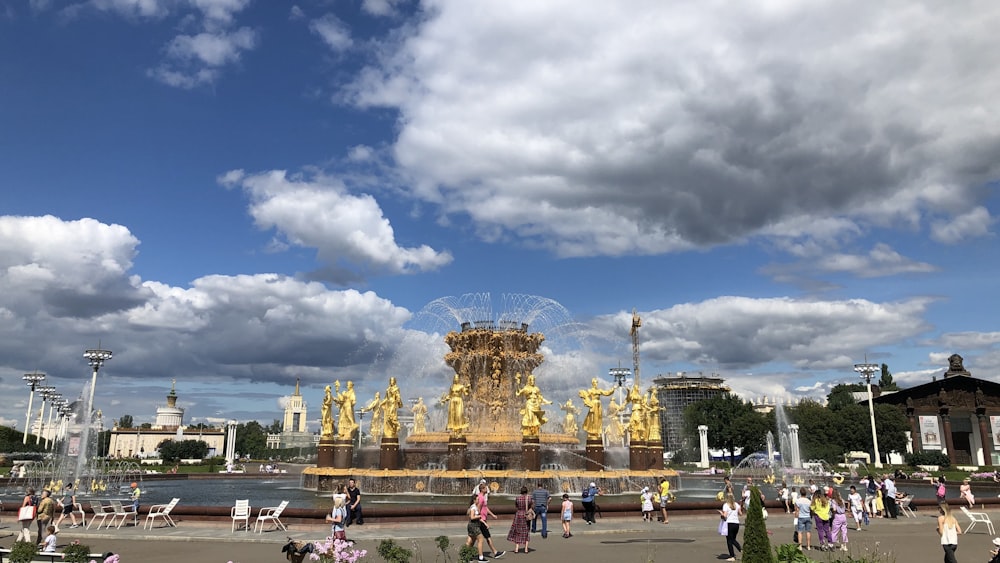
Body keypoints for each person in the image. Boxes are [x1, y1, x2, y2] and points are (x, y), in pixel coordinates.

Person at [475, 482, 505, 558]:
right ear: (482, 489)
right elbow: (478, 509)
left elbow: (485, 508)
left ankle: (466, 552)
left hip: (483, 519)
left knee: (475, 538)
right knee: (487, 537)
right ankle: (495, 552)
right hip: (482, 520)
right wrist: (481, 519)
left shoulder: (482, 497)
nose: (487, 489)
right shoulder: (481, 498)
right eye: (486, 488)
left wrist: (492, 515)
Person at [506, 486, 531, 554]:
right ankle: (526, 549)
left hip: (518, 515)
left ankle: (516, 548)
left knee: (518, 531)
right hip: (526, 515)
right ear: (526, 491)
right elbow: (531, 506)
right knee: (526, 531)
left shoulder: (517, 498)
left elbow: (516, 506)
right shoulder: (529, 498)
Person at [720, 492, 742, 562]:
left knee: (730, 540)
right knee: (733, 539)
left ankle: (734, 555)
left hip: (729, 524)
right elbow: (740, 514)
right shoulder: (737, 505)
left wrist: (721, 514)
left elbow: (725, 516)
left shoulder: (726, 505)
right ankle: (736, 552)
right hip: (736, 524)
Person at [467, 493, 487, 562]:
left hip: (472, 525)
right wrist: (479, 516)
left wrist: (484, 523)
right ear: (474, 500)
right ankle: (481, 557)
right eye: (478, 499)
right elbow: (472, 517)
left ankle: (467, 555)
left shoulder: (474, 506)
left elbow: (478, 518)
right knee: (480, 539)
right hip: (473, 526)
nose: (479, 500)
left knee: (470, 541)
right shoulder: (473, 507)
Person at [794, 486, 813, 551]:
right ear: (806, 493)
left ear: (800, 493)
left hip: (801, 517)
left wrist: (795, 518)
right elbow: (811, 510)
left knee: (800, 532)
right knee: (808, 532)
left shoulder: (798, 501)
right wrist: (811, 516)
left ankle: (800, 546)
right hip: (808, 517)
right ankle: (808, 546)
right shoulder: (809, 501)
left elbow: (796, 511)